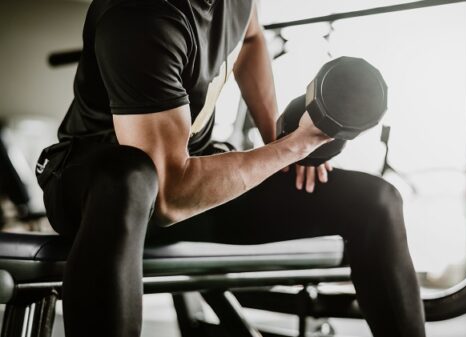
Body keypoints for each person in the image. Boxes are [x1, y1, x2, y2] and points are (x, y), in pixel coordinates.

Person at [35, 0, 426, 336]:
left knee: (376, 202)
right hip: (97, 191)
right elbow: (170, 195)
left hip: (189, 179)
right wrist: (293, 146)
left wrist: (279, 141)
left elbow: (252, 37)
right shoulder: (140, 17)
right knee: (132, 177)